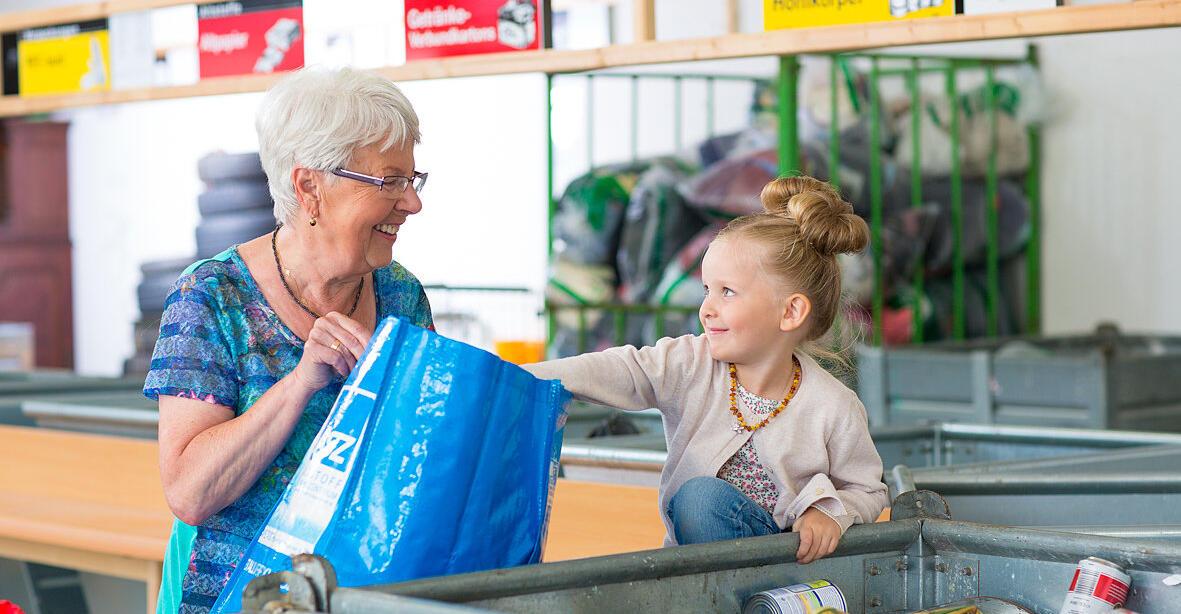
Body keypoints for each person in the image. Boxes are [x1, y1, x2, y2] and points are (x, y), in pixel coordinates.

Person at [145, 67, 434, 614]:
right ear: (309, 188)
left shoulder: (401, 295)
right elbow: (188, 492)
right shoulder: (212, 297)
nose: (411, 203)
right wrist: (302, 381)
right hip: (239, 598)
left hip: (362, 595)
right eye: (388, 182)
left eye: (412, 181)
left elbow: (419, 456)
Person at [524, 175, 888, 563]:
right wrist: (526, 375)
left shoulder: (834, 405)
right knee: (700, 500)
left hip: (787, 572)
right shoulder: (690, 363)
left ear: (791, 312)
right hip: (700, 573)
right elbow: (626, 369)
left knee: (699, 498)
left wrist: (828, 512)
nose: (706, 308)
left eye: (727, 292)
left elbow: (867, 489)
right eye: (706, 290)